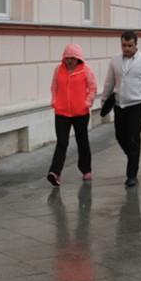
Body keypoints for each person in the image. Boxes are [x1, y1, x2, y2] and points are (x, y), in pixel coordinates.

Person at [100, 31, 141, 187]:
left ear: (136, 45)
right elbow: (109, 82)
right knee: (120, 136)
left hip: (137, 105)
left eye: (129, 45)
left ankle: (132, 175)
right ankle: (133, 157)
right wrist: (103, 101)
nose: (126, 48)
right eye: (124, 45)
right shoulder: (115, 61)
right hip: (119, 105)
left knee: (133, 137)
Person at [47, 44, 97, 186]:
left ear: (78, 58)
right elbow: (54, 87)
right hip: (62, 112)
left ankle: (86, 169)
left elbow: (92, 87)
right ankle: (55, 173)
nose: (69, 61)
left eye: (73, 58)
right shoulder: (59, 70)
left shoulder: (85, 70)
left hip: (80, 113)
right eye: (67, 58)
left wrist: (87, 103)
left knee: (82, 142)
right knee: (62, 143)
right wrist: (55, 101)